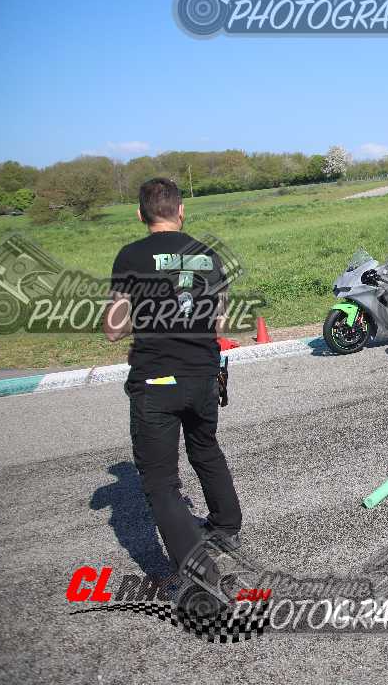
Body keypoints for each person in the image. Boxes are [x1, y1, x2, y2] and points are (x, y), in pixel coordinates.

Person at [104, 177, 243, 570]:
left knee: (161, 482)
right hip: (204, 374)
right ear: (181, 210)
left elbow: (114, 328)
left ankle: (198, 572)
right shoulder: (210, 255)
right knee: (205, 448)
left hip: (156, 380)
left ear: (140, 215)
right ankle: (226, 526)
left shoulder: (130, 256)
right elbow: (219, 324)